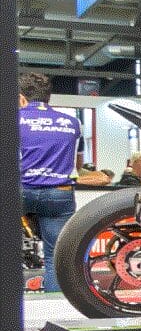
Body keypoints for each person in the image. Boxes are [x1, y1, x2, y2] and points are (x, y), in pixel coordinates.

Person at [18, 72, 92, 292]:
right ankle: (54, 303)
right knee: (55, 258)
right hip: (59, 193)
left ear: (21, 98)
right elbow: (78, 164)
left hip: (20, 189)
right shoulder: (72, 122)